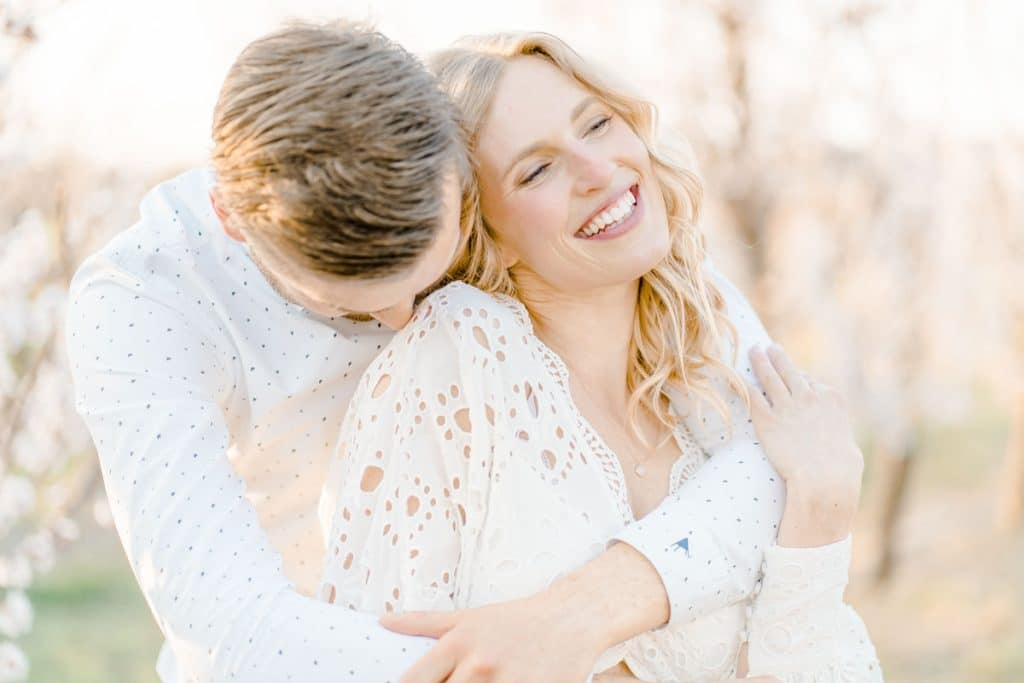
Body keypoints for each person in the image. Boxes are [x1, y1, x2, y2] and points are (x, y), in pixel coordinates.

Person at [67, 22, 801, 683]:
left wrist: (591, 608)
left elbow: (782, 438)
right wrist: (547, 657)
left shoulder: (456, 156)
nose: (404, 320)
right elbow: (235, 633)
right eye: (357, 303)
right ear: (232, 220)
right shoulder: (146, 305)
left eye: (441, 269)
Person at [318, 32, 883, 682]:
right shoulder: (457, 361)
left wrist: (821, 512)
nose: (598, 170)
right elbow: (370, 655)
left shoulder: (709, 357)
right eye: (537, 169)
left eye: (597, 124)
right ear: (484, 233)